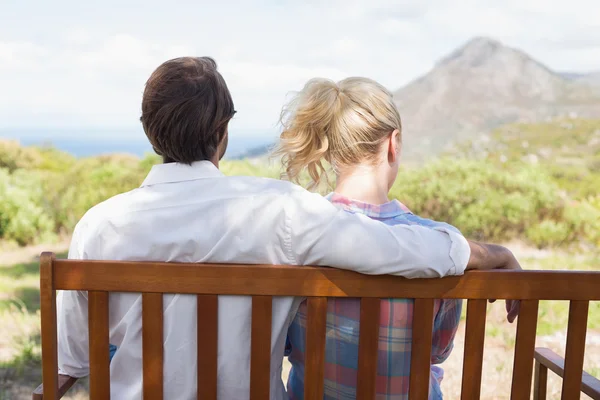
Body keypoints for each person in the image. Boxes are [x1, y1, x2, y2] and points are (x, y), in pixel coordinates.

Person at [57, 57, 521, 400]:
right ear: (223, 132)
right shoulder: (276, 211)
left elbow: (71, 361)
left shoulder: (99, 225)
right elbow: (400, 248)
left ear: (148, 131)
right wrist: (489, 252)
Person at [274, 77, 519, 399]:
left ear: (331, 147)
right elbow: (437, 350)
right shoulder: (441, 245)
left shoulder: (297, 235)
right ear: (394, 143)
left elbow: (284, 342)